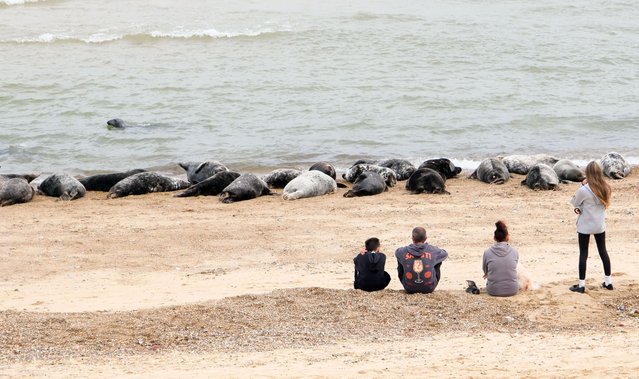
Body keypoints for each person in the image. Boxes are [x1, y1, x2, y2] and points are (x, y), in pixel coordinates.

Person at [569, 161, 613, 293]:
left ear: (587, 174)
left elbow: (574, 202)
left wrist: (581, 185)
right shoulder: (606, 187)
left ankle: (581, 285)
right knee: (603, 252)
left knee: (583, 253)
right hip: (599, 225)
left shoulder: (584, 190)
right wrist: (581, 208)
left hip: (585, 225)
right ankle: (608, 282)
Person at [395, 226, 448, 294]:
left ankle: (409, 282)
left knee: (401, 259)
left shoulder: (402, 251)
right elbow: (444, 254)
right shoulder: (432, 250)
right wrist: (434, 250)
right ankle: (428, 281)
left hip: (409, 288)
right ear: (426, 238)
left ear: (412, 238)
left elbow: (397, 252)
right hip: (429, 288)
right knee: (437, 259)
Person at [482, 220, 519, 297]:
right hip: (513, 290)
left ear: (494, 238)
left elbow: (485, 271)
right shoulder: (515, 252)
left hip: (494, 291)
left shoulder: (487, 252)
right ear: (507, 237)